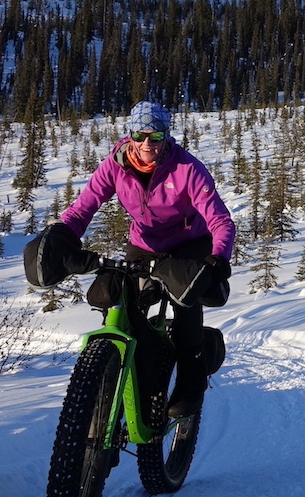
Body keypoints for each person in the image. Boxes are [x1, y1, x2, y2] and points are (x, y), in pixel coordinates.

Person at [53, 101, 235, 417]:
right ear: (131, 135)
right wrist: (61, 234)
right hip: (144, 244)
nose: (147, 144)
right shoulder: (115, 165)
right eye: (140, 135)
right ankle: (128, 372)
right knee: (125, 304)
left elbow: (221, 221)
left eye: (156, 135)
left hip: (190, 243)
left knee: (185, 305)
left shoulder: (187, 169)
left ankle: (191, 384)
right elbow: (84, 207)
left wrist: (217, 259)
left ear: (167, 136)